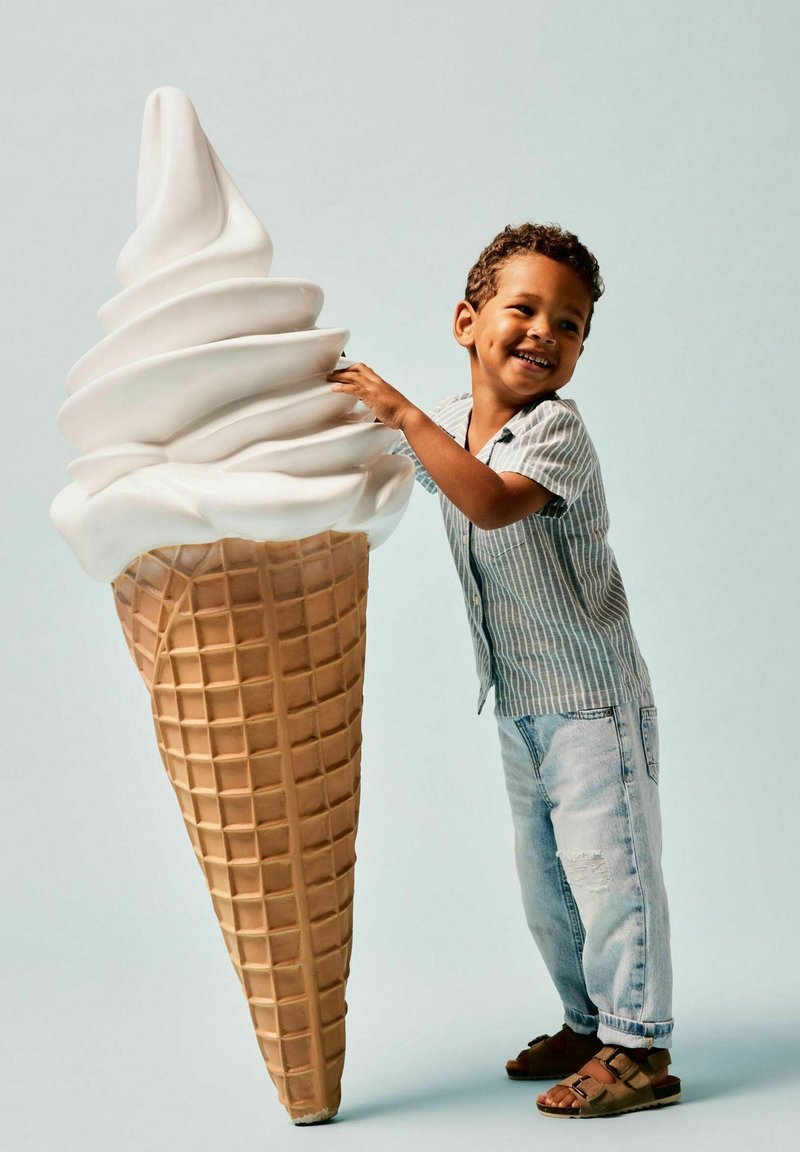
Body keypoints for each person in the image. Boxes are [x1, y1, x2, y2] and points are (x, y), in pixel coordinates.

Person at [328, 222, 679, 1119]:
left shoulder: (553, 430)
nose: (545, 333)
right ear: (466, 321)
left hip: (593, 699)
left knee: (612, 873)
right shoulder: (447, 426)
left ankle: (637, 1048)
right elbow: (387, 456)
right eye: (524, 308)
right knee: (548, 882)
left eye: (570, 325)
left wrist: (400, 411)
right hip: (521, 699)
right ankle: (586, 1021)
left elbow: (487, 504)